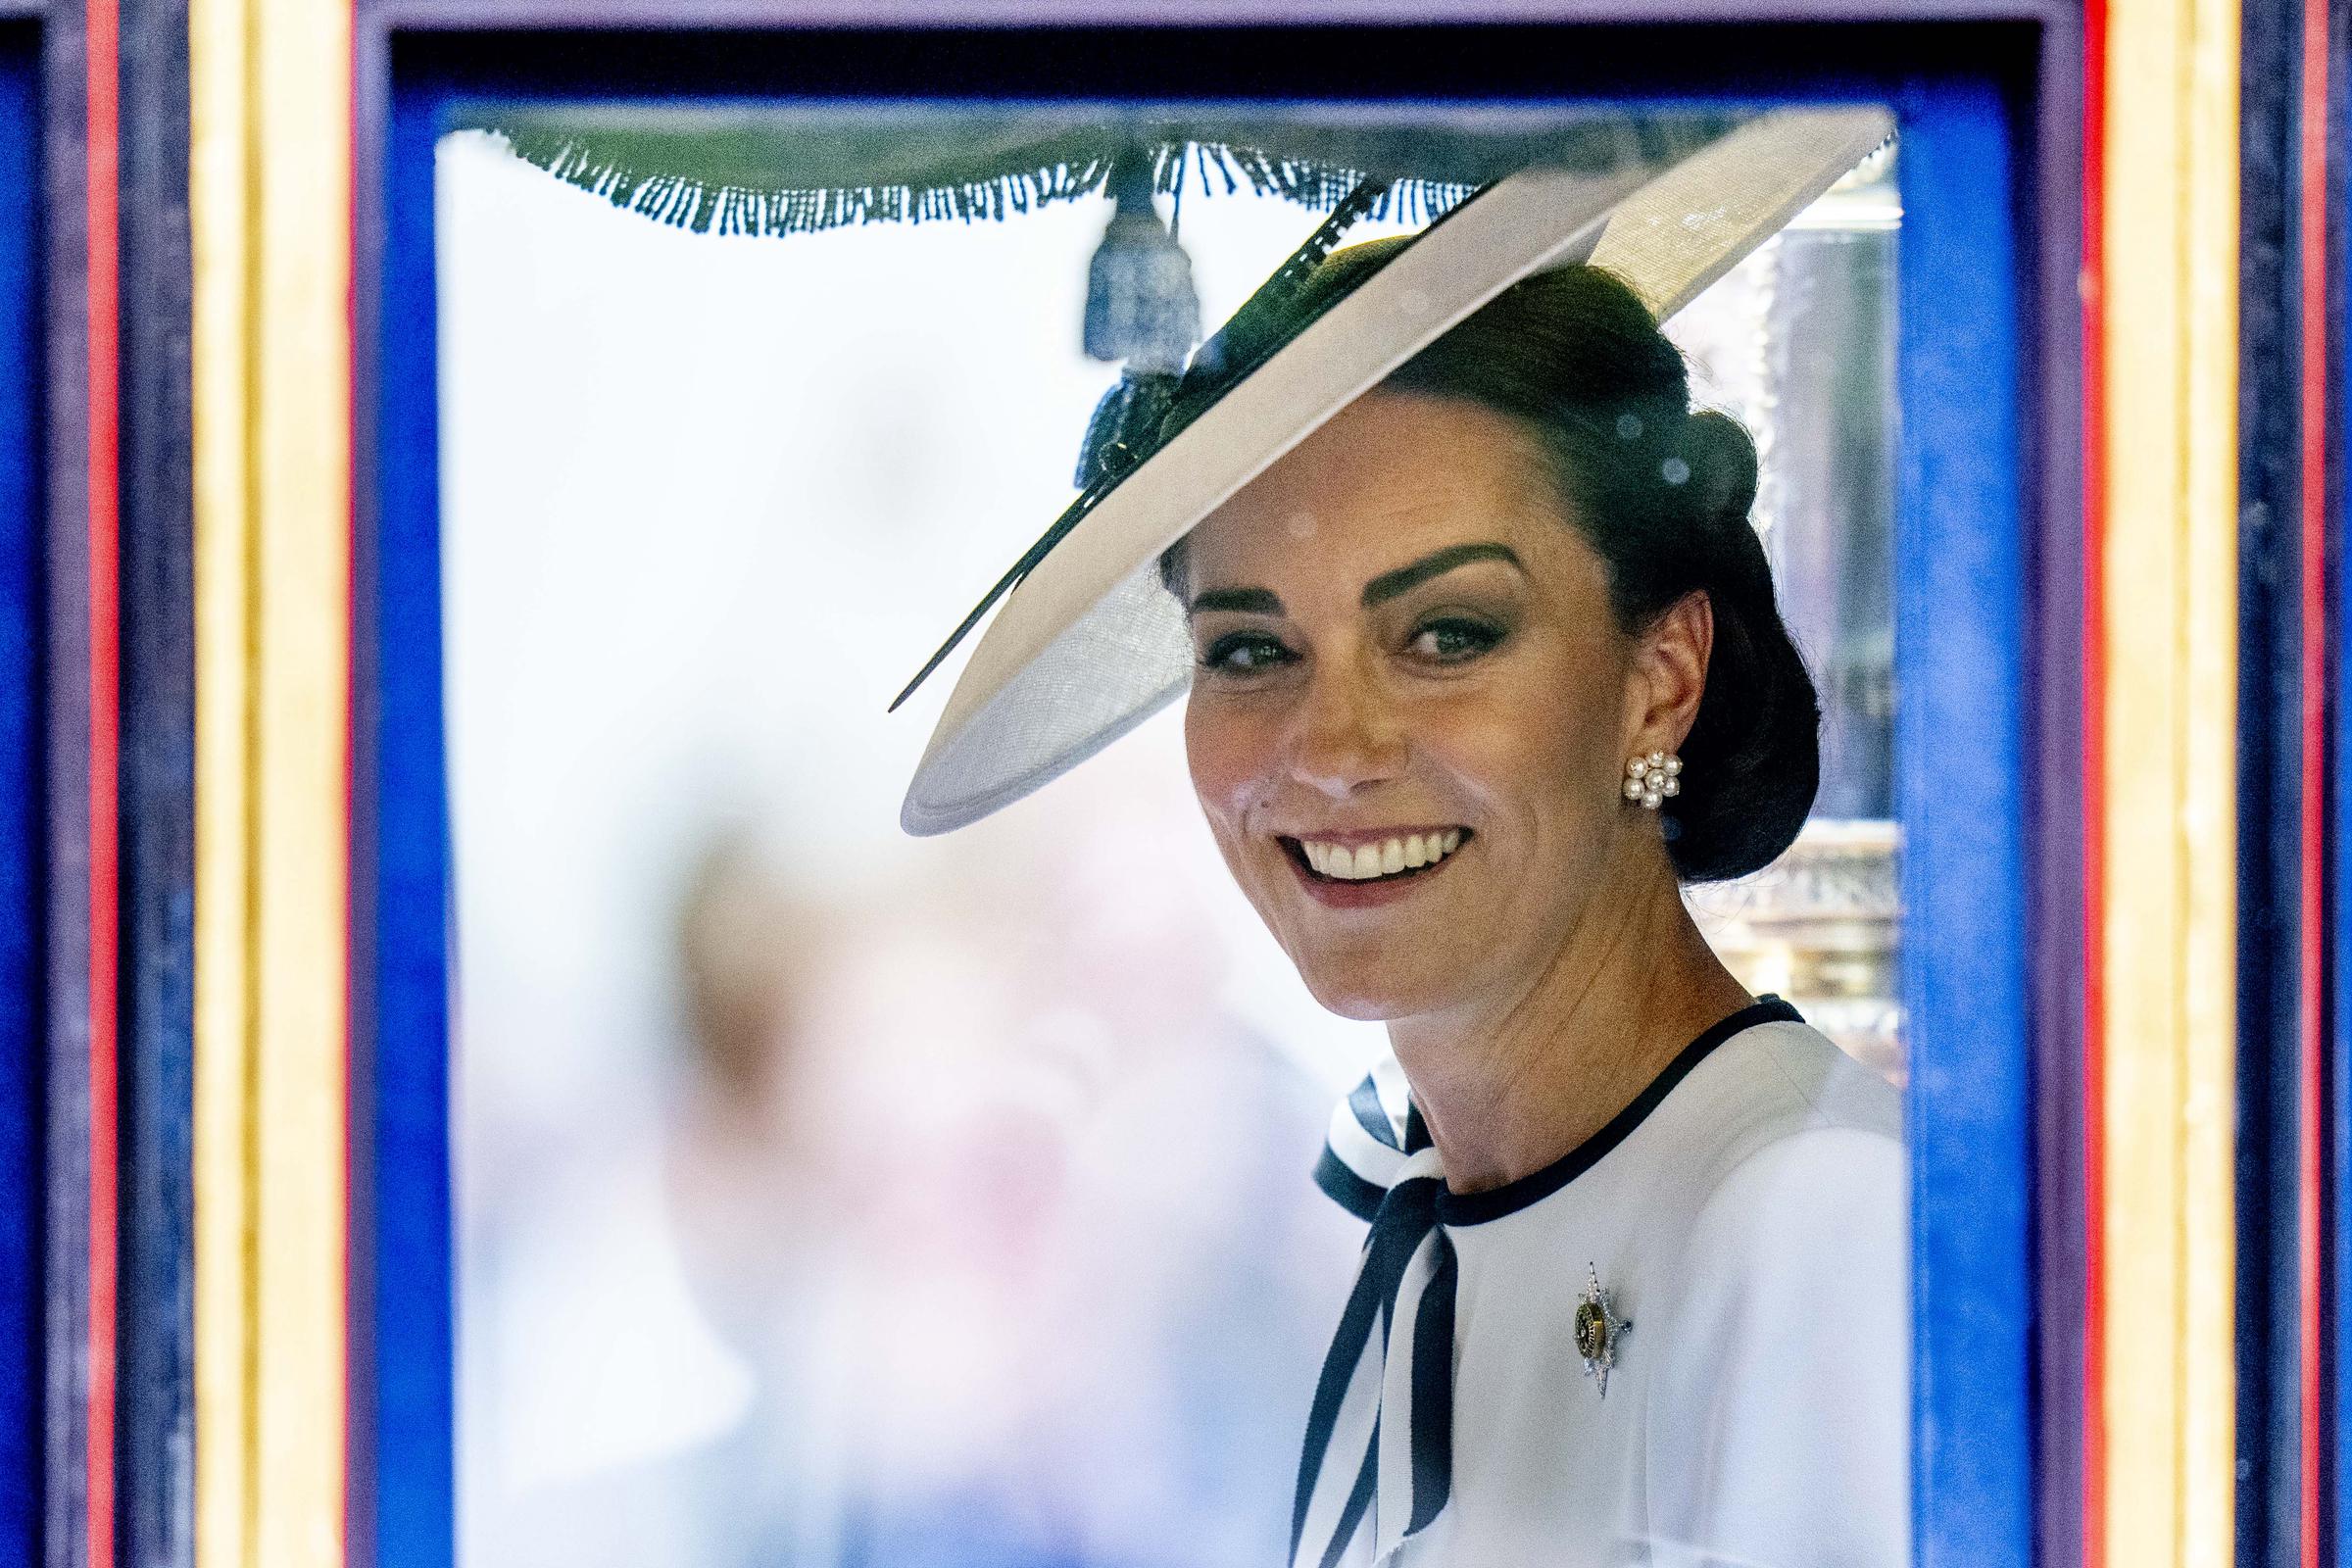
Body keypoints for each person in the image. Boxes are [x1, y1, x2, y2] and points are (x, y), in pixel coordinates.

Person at [896, 110, 1905, 1568]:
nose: (1332, 750)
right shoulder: (1418, 1231)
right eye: (1251, 651)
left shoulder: (1811, 1221)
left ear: (1659, 676)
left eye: (1448, 633)